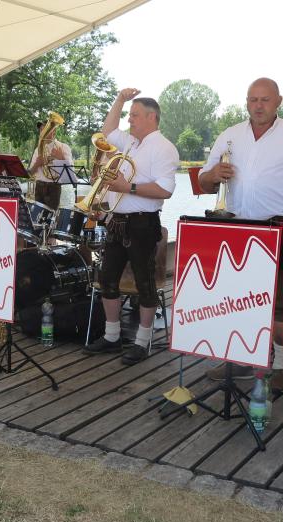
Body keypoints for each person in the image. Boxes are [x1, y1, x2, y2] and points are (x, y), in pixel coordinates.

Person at [198, 78, 283, 393]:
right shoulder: (229, 134)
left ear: (278, 101)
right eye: (253, 99)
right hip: (235, 227)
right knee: (235, 300)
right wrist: (212, 175)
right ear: (246, 101)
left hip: (278, 226)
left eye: (265, 99)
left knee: (281, 302)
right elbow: (203, 182)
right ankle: (241, 360)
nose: (258, 105)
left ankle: (282, 366)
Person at [83, 88, 179, 365]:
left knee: (144, 284)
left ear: (151, 117)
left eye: (135, 115)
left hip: (143, 223)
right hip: (118, 221)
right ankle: (112, 336)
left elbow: (166, 189)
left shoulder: (164, 147)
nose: (130, 120)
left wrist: (128, 187)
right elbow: (107, 131)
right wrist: (120, 100)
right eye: (130, 115)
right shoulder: (130, 143)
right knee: (107, 279)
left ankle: (142, 341)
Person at [29, 120, 74, 210]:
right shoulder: (38, 149)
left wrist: (60, 157)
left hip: (54, 188)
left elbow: (70, 174)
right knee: (37, 216)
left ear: (54, 131)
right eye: (41, 130)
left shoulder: (63, 147)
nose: (42, 133)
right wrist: (37, 164)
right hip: (39, 187)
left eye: (45, 130)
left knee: (52, 216)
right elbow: (30, 173)